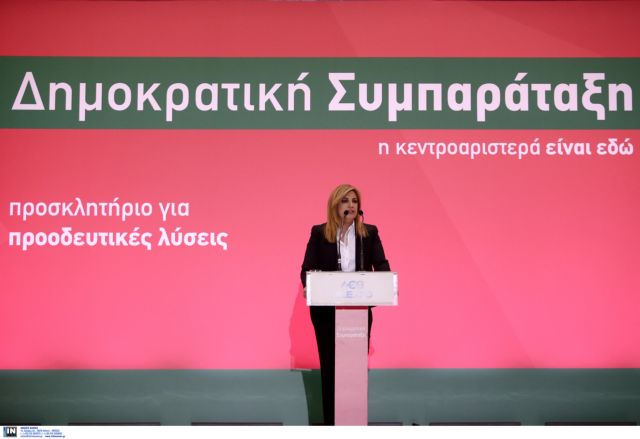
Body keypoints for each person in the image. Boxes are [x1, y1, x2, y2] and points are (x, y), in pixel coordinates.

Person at [300, 183, 390, 425]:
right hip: (325, 312)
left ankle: (354, 424)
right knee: (330, 368)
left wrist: (385, 282)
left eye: (354, 201)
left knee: (354, 370)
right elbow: (307, 268)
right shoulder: (320, 232)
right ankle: (332, 425)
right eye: (345, 200)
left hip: (357, 310)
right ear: (335, 205)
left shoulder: (369, 233)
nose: (350, 205)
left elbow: (381, 264)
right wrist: (309, 284)